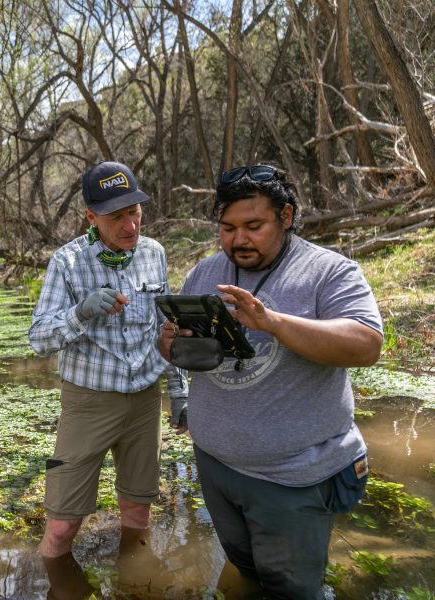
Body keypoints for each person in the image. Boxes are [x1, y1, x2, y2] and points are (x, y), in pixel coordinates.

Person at [157, 164, 383, 600]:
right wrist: (170, 343)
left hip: (292, 478)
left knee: (293, 589)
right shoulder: (205, 272)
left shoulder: (328, 271)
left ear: (286, 216)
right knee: (246, 573)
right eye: (227, 227)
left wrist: (272, 322)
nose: (238, 239)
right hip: (216, 466)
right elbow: (188, 358)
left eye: (253, 226)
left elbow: (366, 345)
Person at [28, 160, 187, 598]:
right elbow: (39, 339)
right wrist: (80, 312)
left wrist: (178, 392)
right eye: (116, 216)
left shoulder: (153, 253)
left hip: (143, 403)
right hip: (87, 404)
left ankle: (136, 587)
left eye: (134, 211)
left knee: (138, 512)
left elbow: (166, 327)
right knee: (62, 526)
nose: (130, 224)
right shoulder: (68, 263)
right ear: (90, 217)